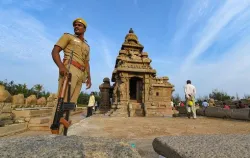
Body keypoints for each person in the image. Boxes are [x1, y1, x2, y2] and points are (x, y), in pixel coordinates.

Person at [50, 18, 92, 134]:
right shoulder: (68, 37)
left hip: (81, 74)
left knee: (71, 103)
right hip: (70, 69)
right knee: (62, 101)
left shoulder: (87, 46)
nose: (76, 27)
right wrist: (61, 67)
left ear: (84, 28)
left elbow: (87, 62)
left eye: (79, 25)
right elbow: (55, 51)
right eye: (75, 25)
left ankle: (64, 131)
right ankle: (55, 130)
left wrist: (89, 77)